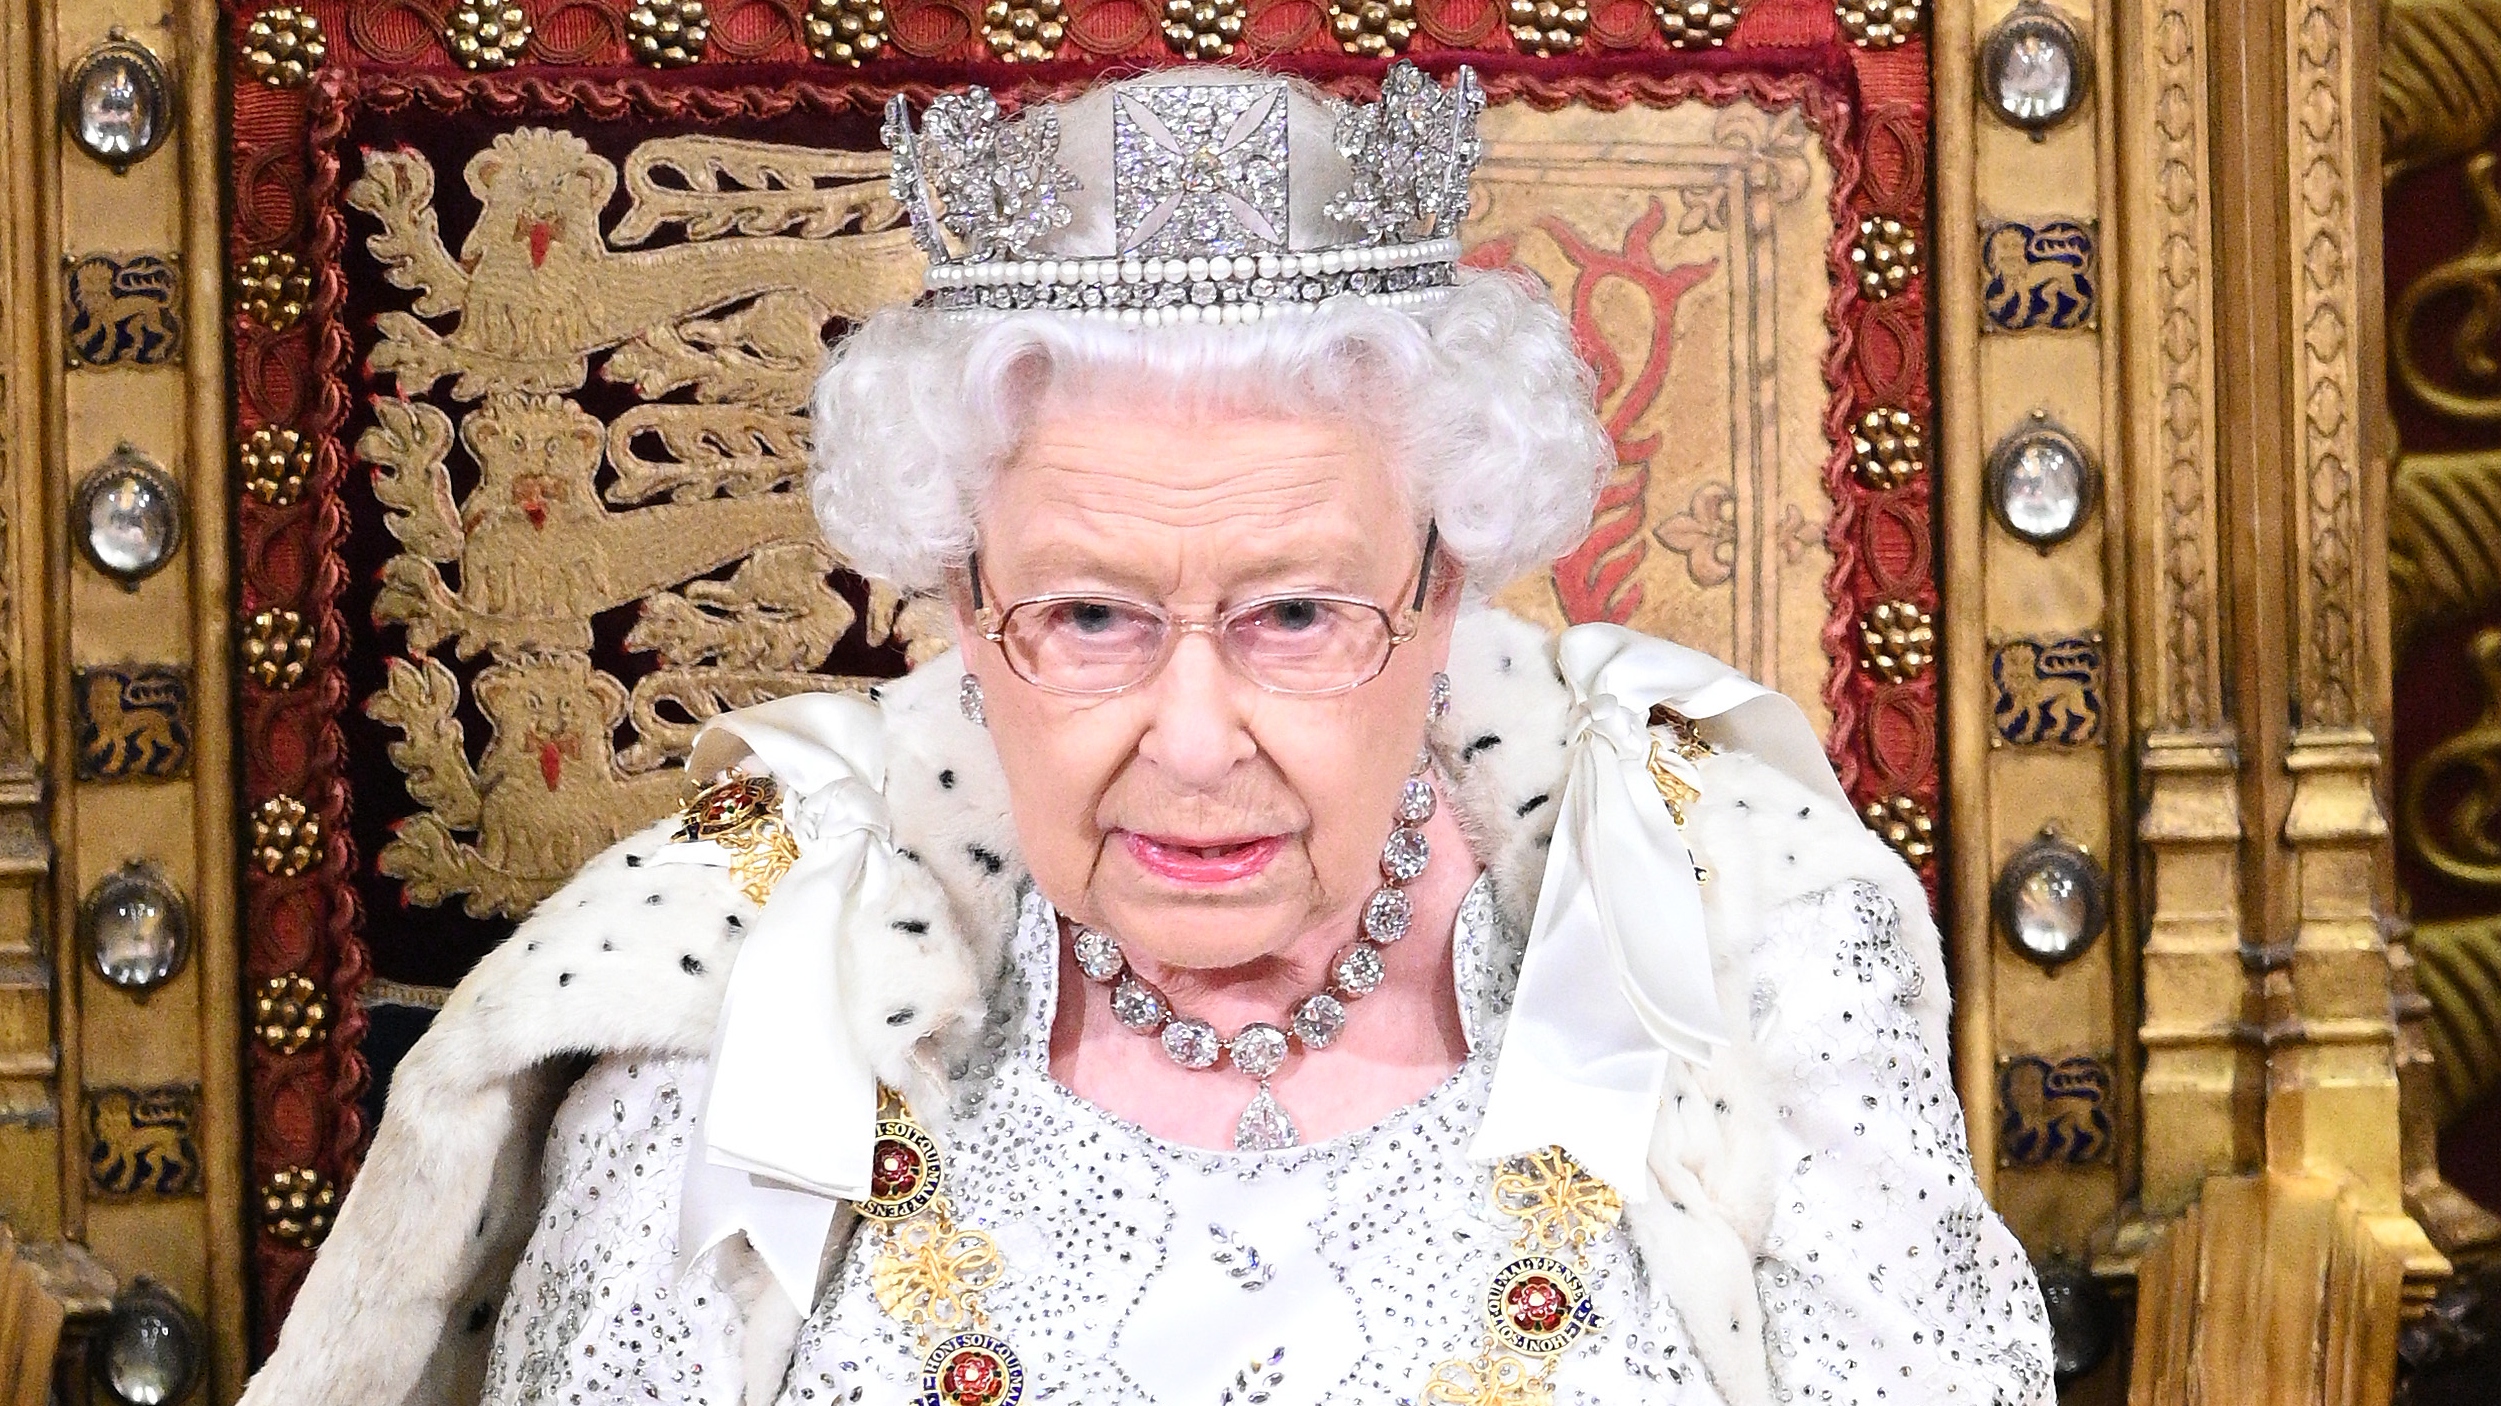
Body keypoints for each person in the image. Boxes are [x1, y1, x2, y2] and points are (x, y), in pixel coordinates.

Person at [243, 63, 2052, 1406]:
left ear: (1445, 596)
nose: (1196, 739)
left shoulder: (1743, 941)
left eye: (1294, 615)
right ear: (961, 610)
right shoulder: (736, 1001)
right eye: (1091, 617)